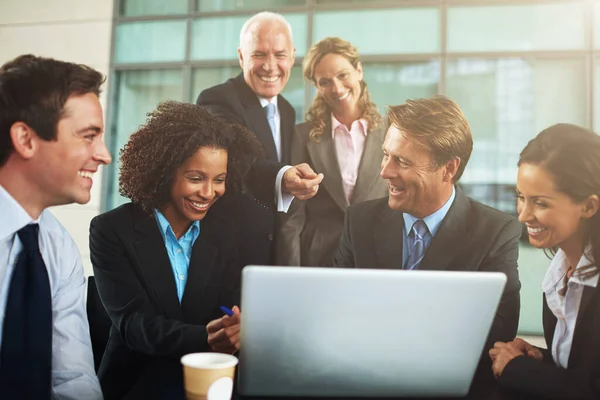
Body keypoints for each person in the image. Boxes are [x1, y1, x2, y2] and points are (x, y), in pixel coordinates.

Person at [89, 102, 262, 399]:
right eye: (196, 178)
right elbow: (133, 324)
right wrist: (205, 336)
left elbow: (232, 302)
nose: (208, 193)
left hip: (211, 380)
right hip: (137, 382)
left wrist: (236, 323)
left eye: (219, 180)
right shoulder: (111, 229)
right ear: (166, 172)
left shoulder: (227, 231)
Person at [334, 96, 521, 348]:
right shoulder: (359, 222)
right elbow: (337, 311)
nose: (384, 172)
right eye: (386, 155)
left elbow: (498, 332)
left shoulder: (495, 233)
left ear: (449, 169)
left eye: (401, 161)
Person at [0, 54, 107, 399]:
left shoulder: (57, 246)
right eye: (88, 136)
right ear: (26, 140)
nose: (104, 154)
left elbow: (72, 377)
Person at [197, 11, 323, 268]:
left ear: (292, 57)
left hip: (273, 255)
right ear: (242, 56)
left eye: (280, 55)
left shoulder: (287, 110)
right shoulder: (217, 99)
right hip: (227, 256)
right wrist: (285, 176)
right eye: (259, 54)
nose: (270, 66)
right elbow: (236, 158)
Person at [490, 124, 600, 399]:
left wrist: (520, 371)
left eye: (540, 203)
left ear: (588, 206)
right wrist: (540, 358)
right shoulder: (561, 272)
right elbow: (584, 369)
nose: (524, 215)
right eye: (521, 197)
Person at [278, 37, 387, 267]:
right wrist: (291, 275)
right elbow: (293, 217)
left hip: (380, 256)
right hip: (320, 260)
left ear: (359, 70)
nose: (336, 88)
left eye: (343, 75)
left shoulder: (391, 132)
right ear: (317, 86)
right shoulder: (302, 136)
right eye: (325, 81)